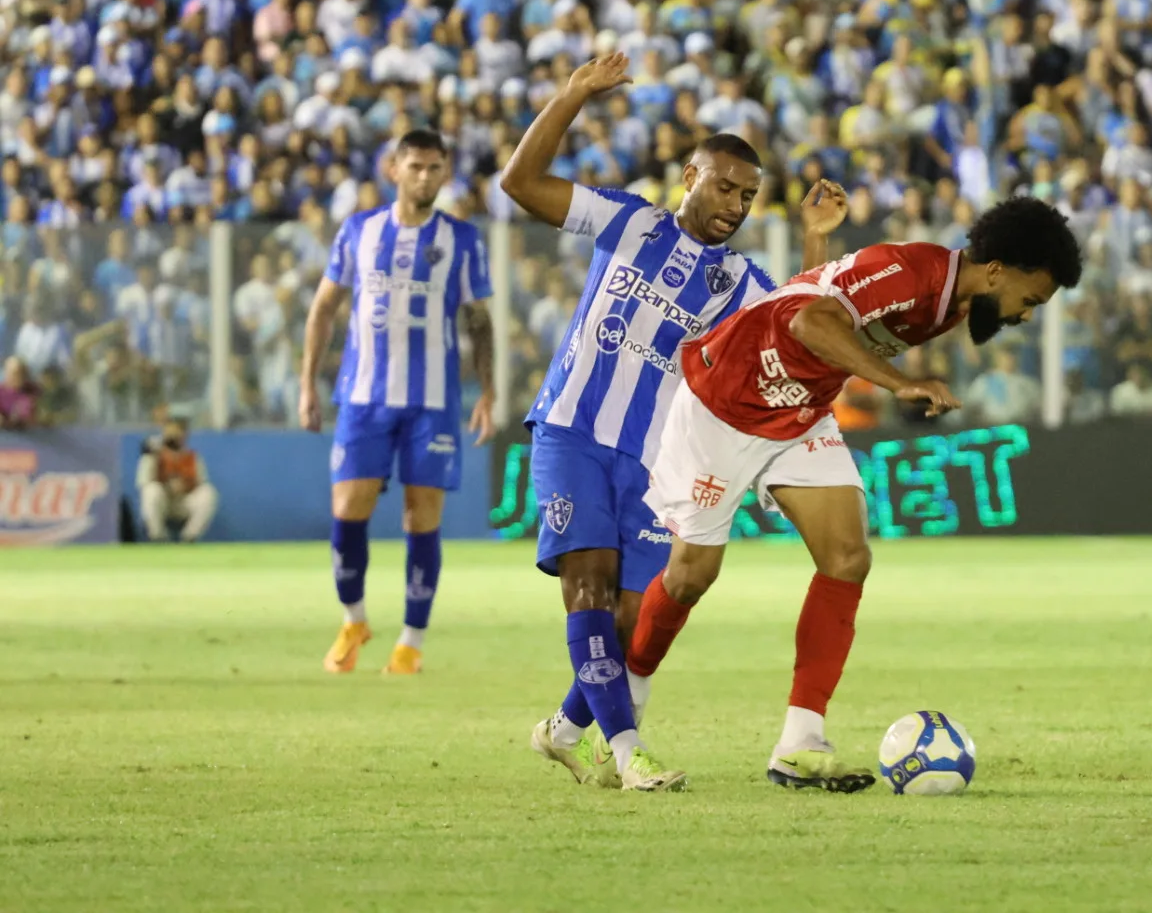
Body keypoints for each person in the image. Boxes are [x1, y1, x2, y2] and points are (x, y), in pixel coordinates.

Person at [627, 197, 1082, 791]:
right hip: (728, 400)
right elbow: (807, 322)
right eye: (1031, 300)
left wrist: (815, 242)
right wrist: (900, 382)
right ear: (997, 271)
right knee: (691, 576)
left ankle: (800, 742)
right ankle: (615, 709)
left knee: (847, 558)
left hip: (800, 408)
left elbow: (809, 294)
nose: (1025, 317)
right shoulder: (912, 275)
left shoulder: (951, 301)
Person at [497, 53, 846, 793]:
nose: (735, 203)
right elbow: (520, 185)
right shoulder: (628, 220)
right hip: (572, 429)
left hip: (656, 462)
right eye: (724, 186)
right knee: (588, 591)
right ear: (690, 177)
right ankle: (628, 754)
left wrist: (815, 239)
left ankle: (563, 731)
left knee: (627, 623)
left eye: (748, 196)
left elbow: (799, 322)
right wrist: (571, 95)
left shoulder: (741, 282)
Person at [298, 128, 496, 676]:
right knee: (348, 508)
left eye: (435, 167)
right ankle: (353, 619)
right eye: (415, 167)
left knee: (421, 517)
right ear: (394, 169)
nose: (425, 177)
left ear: (446, 171)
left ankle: (410, 642)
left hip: (432, 402)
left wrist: (489, 392)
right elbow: (323, 308)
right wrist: (306, 383)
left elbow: (478, 319)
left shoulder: (461, 238)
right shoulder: (359, 231)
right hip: (363, 397)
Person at [136, 417, 219, 542]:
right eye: (171, 432)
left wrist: (185, 486)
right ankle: (158, 537)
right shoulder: (152, 454)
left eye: (178, 432)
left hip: (184, 501)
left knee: (209, 493)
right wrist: (155, 458)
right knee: (151, 491)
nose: (174, 436)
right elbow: (143, 483)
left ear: (185, 435)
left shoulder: (192, 457)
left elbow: (201, 483)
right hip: (163, 500)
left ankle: (189, 537)